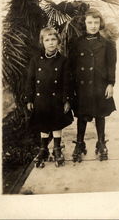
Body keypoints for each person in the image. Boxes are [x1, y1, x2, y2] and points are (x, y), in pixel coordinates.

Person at [69, 8, 117, 162]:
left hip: (99, 84)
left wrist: (110, 84)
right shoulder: (76, 43)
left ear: (100, 23)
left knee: (100, 114)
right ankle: (80, 142)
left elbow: (111, 66)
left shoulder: (107, 44)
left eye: (96, 22)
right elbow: (71, 66)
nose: (93, 26)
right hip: (82, 86)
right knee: (82, 115)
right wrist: (72, 88)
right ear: (85, 23)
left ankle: (101, 142)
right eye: (90, 22)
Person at [25, 27, 73, 167]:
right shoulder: (35, 60)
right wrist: (29, 98)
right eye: (47, 40)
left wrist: (67, 100)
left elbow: (67, 83)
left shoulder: (63, 61)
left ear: (58, 41)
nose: (51, 43)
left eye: (53, 39)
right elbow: (30, 80)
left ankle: (57, 148)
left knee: (57, 122)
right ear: (42, 42)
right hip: (40, 98)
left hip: (56, 99)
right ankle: (43, 148)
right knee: (43, 123)